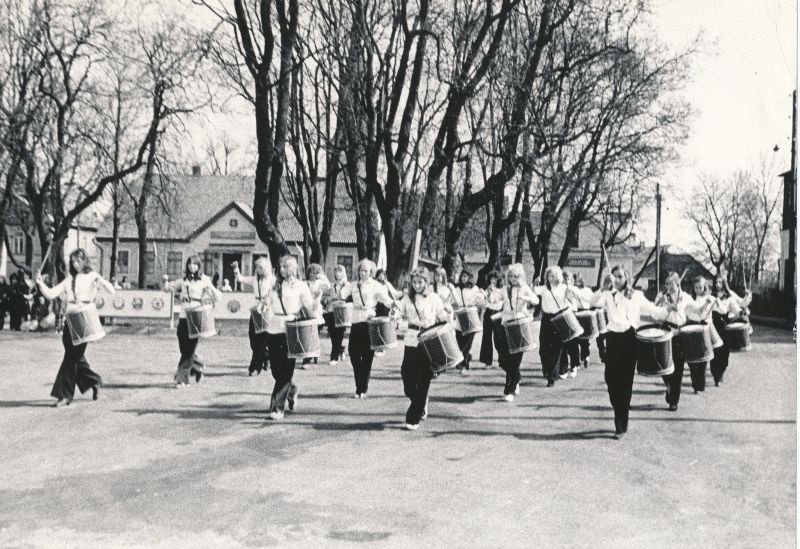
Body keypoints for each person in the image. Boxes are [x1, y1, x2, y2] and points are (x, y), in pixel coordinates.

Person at [590, 265, 664, 438]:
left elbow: (654, 311)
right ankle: (619, 411)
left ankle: (621, 424)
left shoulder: (636, 296)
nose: (616, 280)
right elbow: (592, 302)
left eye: (620, 277)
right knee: (610, 378)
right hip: (613, 338)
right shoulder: (607, 294)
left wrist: (668, 309)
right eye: (614, 276)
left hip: (629, 339)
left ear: (627, 279)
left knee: (625, 383)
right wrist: (602, 287)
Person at [35, 248, 115, 407]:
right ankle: (94, 381)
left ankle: (64, 395)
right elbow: (51, 294)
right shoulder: (69, 279)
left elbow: (111, 291)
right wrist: (40, 283)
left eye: (78, 260)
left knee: (71, 358)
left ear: (85, 260)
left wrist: (102, 282)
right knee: (75, 357)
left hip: (85, 318)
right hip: (70, 320)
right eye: (73, 261)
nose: (75, 264)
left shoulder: (93, 276)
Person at [393, 267, 450, 430]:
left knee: (424, 378)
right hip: (411, 339)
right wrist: (395, 314)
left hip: (428, 340)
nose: (417, 285)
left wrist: (447, 315)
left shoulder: (434, 298)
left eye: (420, 282)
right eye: (414, 282)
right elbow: (398, 310)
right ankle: (421, 402)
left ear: (426, 282)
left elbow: (442, 314)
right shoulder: (407, 298)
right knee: (407, 376)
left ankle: (413, 418)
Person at [263, 255, 317, 420]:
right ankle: (291, 390)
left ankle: (277, 407)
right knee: (276, 370)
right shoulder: (275, 284)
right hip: (274, 328)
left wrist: (316, 302)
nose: (283, 270)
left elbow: (309, 306)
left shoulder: (300, 286)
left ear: (294, 268)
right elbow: (269, 303)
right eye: (281, 267)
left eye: (286, 267)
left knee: (286, 370)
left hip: (292, 329)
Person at [656, 272, 715, 410]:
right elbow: (655, 315)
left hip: (680, 333)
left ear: (678, 283)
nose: (668, 286)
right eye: (666, 283)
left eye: (670, 283)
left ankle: (674, 401)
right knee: (664, 366)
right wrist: (661, 304)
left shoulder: (686, 297)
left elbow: (698, 312)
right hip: (666, 331)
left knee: (678, 368)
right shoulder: (662, 297)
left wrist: (706, 305)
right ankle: (668, 384)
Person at [162, 255, 222, 387]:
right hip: (184, 315)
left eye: (194, 264)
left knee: (189, 349)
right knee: (183, 346)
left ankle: (182, 379)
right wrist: (165, 281)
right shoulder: (183, 280)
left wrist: (211, 292)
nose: (191, 266)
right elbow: (168, 288)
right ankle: (197, 366)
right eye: (189, 264)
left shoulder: (204, 280)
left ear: (199, 266)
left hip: (196, 315)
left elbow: (218, 296)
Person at [338, 259, 394, 398]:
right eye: (361, 270)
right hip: (356, 322)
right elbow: (342, 295)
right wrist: (342, 284)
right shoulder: (353, 285)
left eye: (366, 271)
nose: (363, 273)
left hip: (370, 323)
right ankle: (359, 383)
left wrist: (394, 304)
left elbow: (385, 299)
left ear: (371, 272)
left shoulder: (375, 285)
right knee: (353, 353)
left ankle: (362, 389)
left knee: (367, 356)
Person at [497, 263, 538, 401]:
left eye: (516, 276)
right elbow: (497, 302)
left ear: (520, 276)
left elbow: (536, 300)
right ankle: (517, 378)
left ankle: (510, 389)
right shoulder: (505, 289)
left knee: (515, 360)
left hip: (520, 324)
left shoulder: (524, 288)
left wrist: (527, 298)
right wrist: (490, 297)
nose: (513, 279)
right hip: (506, 324)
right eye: (511, 276)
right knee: (503, 359)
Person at [533, 266, 574, 387]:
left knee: (557, 348)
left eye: (553, 276)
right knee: (543, 349)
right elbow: (534, 291)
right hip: (546, 319)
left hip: (559, 318)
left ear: (558, 277)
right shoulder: (544, 288)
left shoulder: (564, 288)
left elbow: (571, 300)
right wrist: (534, 283)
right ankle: (547, 370)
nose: (550, 278)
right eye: (549, 276)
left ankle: (552, 376)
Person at [709, 273, 752, 386]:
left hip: (724, 327)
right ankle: (716, 377)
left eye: (720, 282)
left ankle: (721, 371)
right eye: (716, 282)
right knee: (714, 352)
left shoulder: (728, 296)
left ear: (723, 283)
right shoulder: (710, 295)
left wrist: (747, 299)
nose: (717, 284)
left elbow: (739, 307)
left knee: (724, 354)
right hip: (713, 326)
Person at [233, 258, 274, 376]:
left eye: (260, 267)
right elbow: (241, 279)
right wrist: (236, 269)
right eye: (257, 267)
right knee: (252, 338)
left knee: (261, 340)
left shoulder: (272, 279)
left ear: (265, 268)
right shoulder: (255, 279)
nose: (258, 269)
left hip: (267, 311)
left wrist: (269, 301)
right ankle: (266, 356)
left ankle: (255, 367)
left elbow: (277, 292)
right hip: (256, 309)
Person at [451, 269, 486, 374]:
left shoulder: (475, 289)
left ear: (470, 277)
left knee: (467, 343)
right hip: (460, 317)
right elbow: (454, 302)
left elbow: (481, 302)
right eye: (462, 276)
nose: (463, 278)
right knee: (459, 342)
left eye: (465, 276)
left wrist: (481, 296)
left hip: (471, 317)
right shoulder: (458, 289)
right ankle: (466, 358)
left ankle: (463, 365)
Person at [300, 263, 331, 368]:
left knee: (314, 334)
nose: (312, 275)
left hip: (316, 311)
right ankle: (309, 356)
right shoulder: (305, 283)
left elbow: (328, 285)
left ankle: (308, 358)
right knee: (307, 334)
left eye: (315, 273)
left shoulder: (319, 283)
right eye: (311, 272)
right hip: (306, 310)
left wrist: (321, 275)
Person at [322, 265, 349, 365]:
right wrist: (327, 300)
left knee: (339, 334)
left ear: (343, 273)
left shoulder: (347, 285)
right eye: (336, 272)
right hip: (331, 311)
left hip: (341, 311)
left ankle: (334, 357)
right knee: (332, 334)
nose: (338, 274)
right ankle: (340, 349)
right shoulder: (332, 285)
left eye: (340, 271)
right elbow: (328, 297)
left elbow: (347, 298)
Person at [558, 270, 582, 379]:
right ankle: (563, 368)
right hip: (562, 316)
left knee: (573, 342)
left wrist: (570, 289)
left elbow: (580, 297)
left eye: (568, 279)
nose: (566, 281)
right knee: (562, 343)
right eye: (564, 279)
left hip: (572, 314)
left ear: (571, 280)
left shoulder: (574, 289)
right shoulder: (559, 290)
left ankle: (574, 365)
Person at [479, 271, 504, 368]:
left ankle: (502, 359)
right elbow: (483, 302)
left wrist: (494, 294)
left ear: (498, 280)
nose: (492, 280)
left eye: (495, 278)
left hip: (498, 313)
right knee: (487, 337)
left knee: (499, 338)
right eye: (491, 278)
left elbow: (500, 302)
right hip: (489, 312)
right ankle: (487, 362)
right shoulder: (487, 290)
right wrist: (487, 293)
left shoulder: (502, 290)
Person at [572, 273, 595, 368]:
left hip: (585, 313)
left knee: (585, 339)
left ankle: (586, 356)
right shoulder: (572, 290)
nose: (577, 283)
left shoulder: (588, 290)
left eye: (579, 281)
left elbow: (591, 300)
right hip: (576, 313)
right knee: (575, 338)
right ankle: (576, 360)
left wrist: (579, 295)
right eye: (575, 281)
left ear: (582, 281)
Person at [593, 273, 614, 364]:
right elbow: (596, 303)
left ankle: (610, 355)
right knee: (600, 338)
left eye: (611, 282)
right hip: (602, 317)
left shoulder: (616, 292)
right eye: (608, 282)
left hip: (612, 318)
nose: (610, 284)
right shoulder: (602, 292)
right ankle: (603, 354)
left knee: (611, 338)